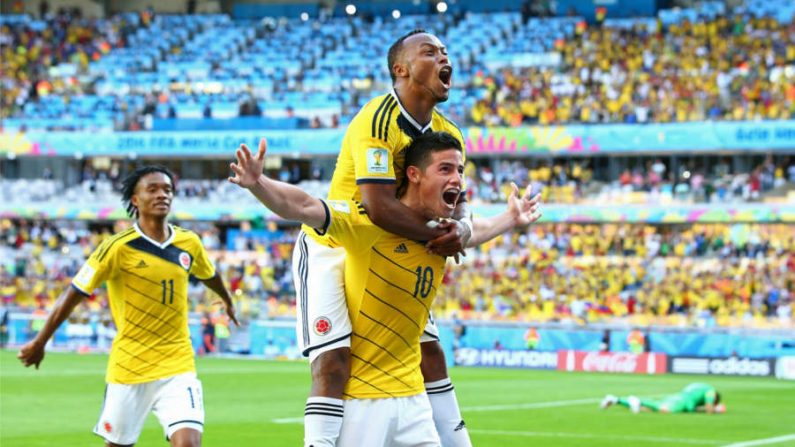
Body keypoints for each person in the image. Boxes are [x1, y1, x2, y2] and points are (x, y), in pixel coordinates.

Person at [229, 132, 540, 446]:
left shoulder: (443, 235)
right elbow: (305, 206)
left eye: (460, 170)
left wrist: (511, 216)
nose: (457, 179)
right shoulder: (370, 225)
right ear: (414, 175)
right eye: (445, 169)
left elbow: (478, 230)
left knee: (433, 353)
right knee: (330, 365)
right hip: (363, 408)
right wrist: (259, 183)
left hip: (415, 404)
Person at [288, 28, 475, 447]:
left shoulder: (449, 133)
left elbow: (460, 199)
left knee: (431, 354)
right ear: (401, 69)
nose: (444, 57)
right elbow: (378, 206)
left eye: (446, 50)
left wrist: (460, 225)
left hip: (396, 247)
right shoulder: (377, 119)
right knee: (334, 362)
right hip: (335, 245)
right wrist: (441, 236)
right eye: (431, 52)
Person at [17, 166, 239, 447]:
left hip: (178, 364)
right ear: (135, 200)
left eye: (167, 190)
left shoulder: (189, 243)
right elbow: (74, 293)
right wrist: (40, 342)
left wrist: (228, 300)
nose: (162, 195)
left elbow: (210, 274)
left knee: (188, 444)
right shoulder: (117, 248)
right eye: (153, 189)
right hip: (129, 369)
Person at [601, 382, 726, 414]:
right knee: (664, 410)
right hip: (681, 401)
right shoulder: (711, 391)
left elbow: (694, 408)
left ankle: (616, 400)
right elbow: (709, 409)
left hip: (678, 397)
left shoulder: (699, 387)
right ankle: (638, 401)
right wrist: (716, 410)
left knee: (650, 409)